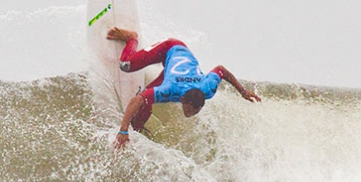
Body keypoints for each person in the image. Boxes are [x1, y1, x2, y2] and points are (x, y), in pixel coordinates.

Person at [108, 27, 261, 148]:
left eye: (195, 111)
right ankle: (131, 38)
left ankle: (137, 129)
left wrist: (243, 91)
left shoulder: (207, 89)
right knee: (126, 65)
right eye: (189, 109)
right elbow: (137, 100)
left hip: (175, 65)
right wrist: (122, 129)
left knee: (144, 105)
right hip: (170, 48)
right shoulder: (170, 88)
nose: (190, 114)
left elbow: (221, 70)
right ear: (182, 99)